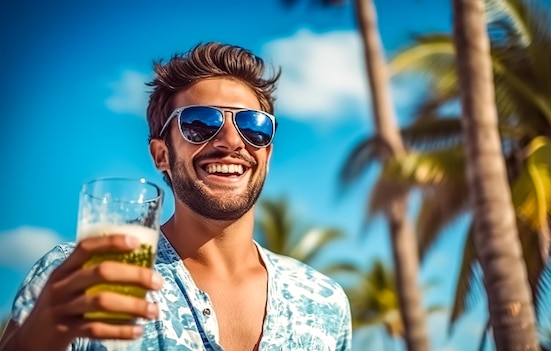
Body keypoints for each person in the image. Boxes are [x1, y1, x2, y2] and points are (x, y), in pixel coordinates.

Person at [0, 42, 352, 351]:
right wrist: (36, 338)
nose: (231, 141)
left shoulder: (324, 301)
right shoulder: (81, 274)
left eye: (252, 126)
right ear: (161, 155)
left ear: (268, 154)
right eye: (199, 123)